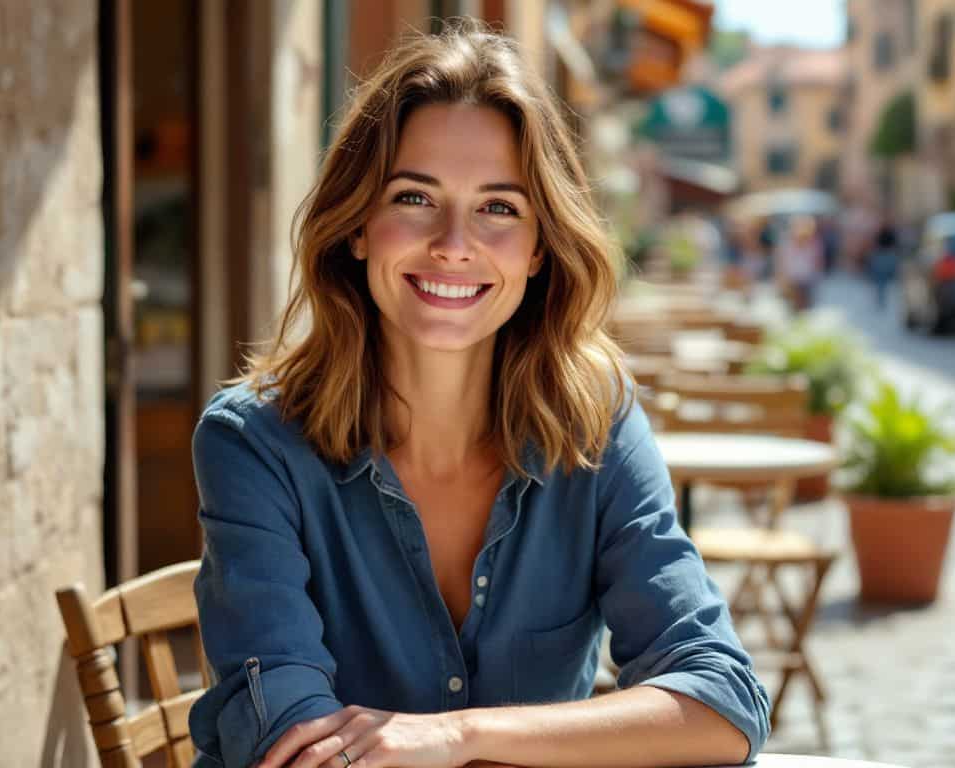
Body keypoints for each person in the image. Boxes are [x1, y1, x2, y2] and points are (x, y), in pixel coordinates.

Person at [188, 24, 769, 768]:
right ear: (359, 226)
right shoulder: (254, 444)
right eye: (414, 197)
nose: (454, 242)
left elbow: (722, 701)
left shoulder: (596, 425)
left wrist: (460, 737)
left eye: (498, 207)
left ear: (537, 248)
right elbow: (293, 744)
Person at [776, 215, 825, 310]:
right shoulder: (786, 245)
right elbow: (781, 266)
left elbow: (818, 266)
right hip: (791, 283)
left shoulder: (815, 245)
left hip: (808, 284)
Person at [867, 215, 899, 309]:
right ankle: (881, 299)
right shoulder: (883, 232)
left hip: (884, 256)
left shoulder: (888, 232)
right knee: (881, 280)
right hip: (883, 255)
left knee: (882, 280)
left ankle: (881, 299)